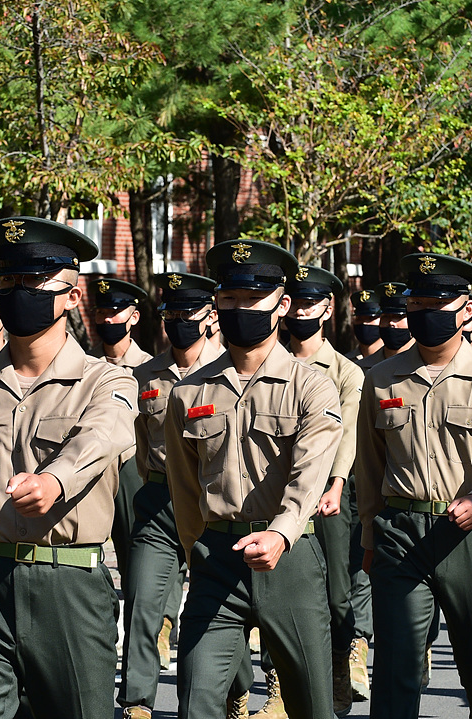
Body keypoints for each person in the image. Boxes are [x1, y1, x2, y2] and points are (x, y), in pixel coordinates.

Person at [0, 217, 137, 719]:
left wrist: (55, 480)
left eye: (37, 279)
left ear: (72, 295)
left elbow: (105, 434)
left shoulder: (105, 380)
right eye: (10, 280)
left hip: (66, 587)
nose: (21, 291)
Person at [165, 239, 343, 719]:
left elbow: (310, 476)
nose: (239, 309)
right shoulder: (188, 392)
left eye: (252, 299)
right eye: (228, 300)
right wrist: (195, 549)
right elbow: (183, 488)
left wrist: (281, 533)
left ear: (282, 305)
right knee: (197, 700)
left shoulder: (312, 385)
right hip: (216, 561)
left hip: (291, 561)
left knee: (312, 705)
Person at [355, 252, 472, 719]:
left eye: (438, 304)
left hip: (467, 532)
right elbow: (369, 469)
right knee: (396, 666)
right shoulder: (381, 378)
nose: (425, 315)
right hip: (399, 532)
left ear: (466, 310)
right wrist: (369, 537)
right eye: (418, 305)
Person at [119, 272, 224, 719]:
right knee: (144, 603)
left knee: (216, 612)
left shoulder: (230, 371)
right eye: (171, 315)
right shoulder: (147, 375)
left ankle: (228, 692)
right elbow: (142, 446)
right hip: (160, 502)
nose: (178, 322)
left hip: (211, 504)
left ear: (211, 317)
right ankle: (138, 703)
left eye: (188, 314)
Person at [282, 265, 365, 715]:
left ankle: (336, 671)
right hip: (278, 496)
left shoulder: (345, 372)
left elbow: (347, 434)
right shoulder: (270, 360)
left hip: (327, 498)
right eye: (293, 301)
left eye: (309, 303)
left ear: (328, 308)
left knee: (335, 595)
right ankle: (280, 688)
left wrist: (335, 486)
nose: (300, 311)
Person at [88, 278, 152, 593]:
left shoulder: (150, 370)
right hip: (90, 469)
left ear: (134, 317)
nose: (108, 320)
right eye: (101, 313)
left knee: (133, 554)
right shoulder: (83, 367)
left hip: (131, 468)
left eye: (115, 312)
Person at [357, 282, 413, 370]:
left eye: (398, 317)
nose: (391, 323)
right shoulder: (361, 367)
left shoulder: (428, 360)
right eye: (386, 317)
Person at [345, 289, 383, 361]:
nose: (364, 323)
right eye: (359, 318)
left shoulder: (393, 360)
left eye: (370, 318)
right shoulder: (345, 361)